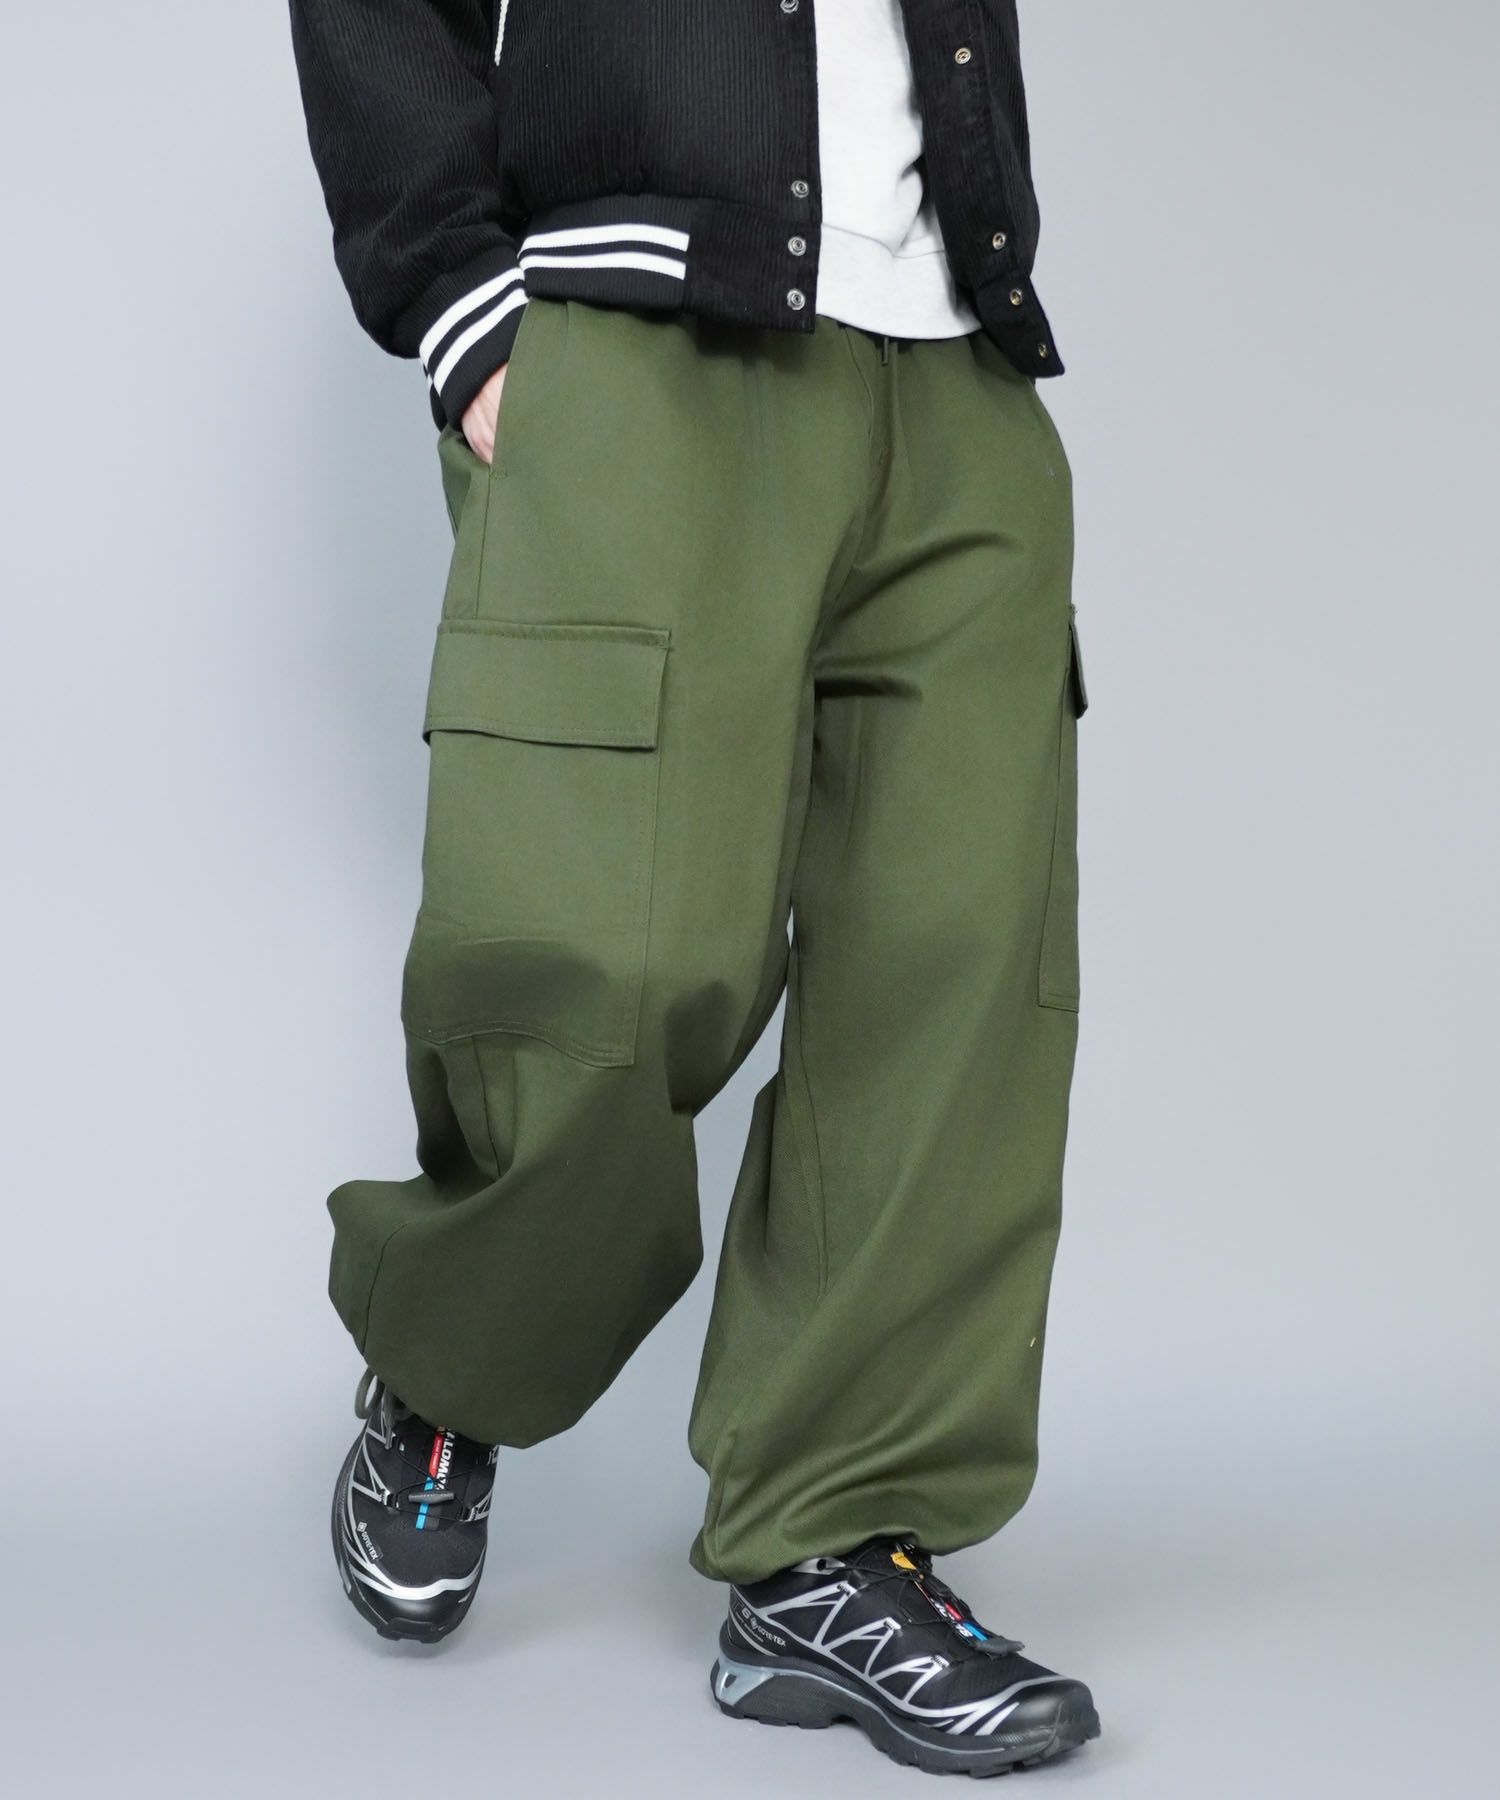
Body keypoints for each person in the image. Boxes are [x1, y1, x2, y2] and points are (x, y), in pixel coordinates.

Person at [291, 0, 1097, 1775]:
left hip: (957, 363)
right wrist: (460, 304)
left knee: (951, 984)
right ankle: (451, 1363)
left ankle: (831, 1543)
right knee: (610, 959)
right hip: (644, 331)